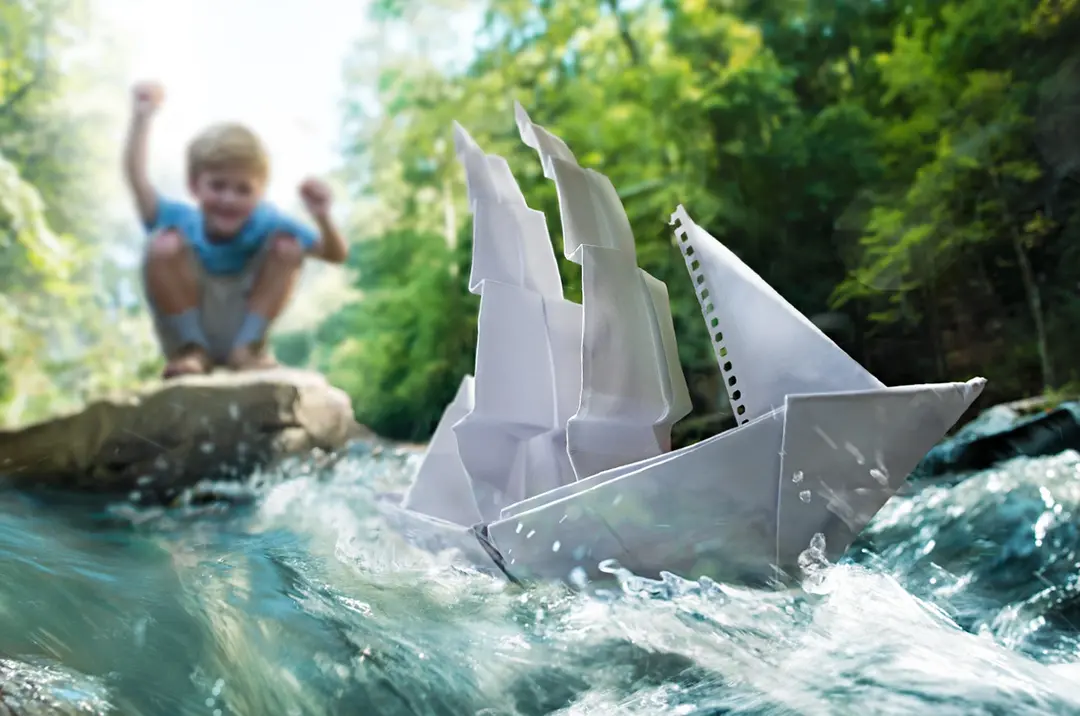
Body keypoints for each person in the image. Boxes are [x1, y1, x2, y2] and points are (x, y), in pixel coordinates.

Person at [123, 80, 349, 378]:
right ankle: (191, 350)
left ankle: (247, 349)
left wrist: (322, 217)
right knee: (162, 244)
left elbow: (335, 254)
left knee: (288, 246)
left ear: (260, 193)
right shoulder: (181, 219)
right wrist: (142, 119)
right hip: (191, 317)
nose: (229, 199)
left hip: (243, 321)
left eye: (243, 189)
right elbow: (138, 180)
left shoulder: (269, 221)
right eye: (217, 186)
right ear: (194, 186)